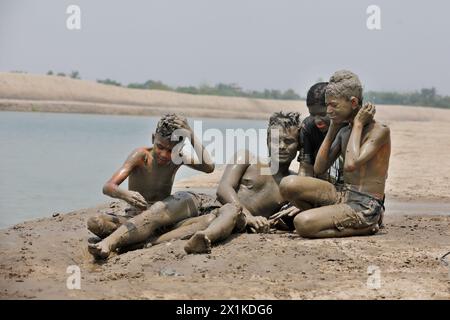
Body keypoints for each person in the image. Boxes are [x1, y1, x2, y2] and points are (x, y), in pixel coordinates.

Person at [87, 113, 218, 259]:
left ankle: (115, 242)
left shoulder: (178, 158)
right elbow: (108, 187)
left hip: (165, 215)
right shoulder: (141, 156)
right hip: (137, 216)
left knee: (168, 212)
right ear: (152, 139)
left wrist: (191, 134)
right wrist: (124, 194)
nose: (164, 154)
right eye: (160, 147)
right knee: (95, 222)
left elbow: (209, 167)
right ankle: (146, 236)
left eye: (170, 150)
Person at [279, 70, 390, 238]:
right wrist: (333, 128)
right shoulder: (344, 131)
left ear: (353, 103)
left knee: (302, 224)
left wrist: (358, 124)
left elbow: (351, 164)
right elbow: (319, 167)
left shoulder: (379, 131)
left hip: (365, 203)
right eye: (327, 105)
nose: (329, 110)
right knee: (288, 184)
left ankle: (366, 226)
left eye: (334, 105)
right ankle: (325, 217)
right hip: (342, 194)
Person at [183, 111, 301, 254]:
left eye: (289, 141)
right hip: (213, 207)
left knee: (228, 215)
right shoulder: (247, 159)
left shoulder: (294, 184)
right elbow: (223, 189)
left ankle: (204, 238)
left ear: (299, 146)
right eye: (276, 141)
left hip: (233, 222)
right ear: (267, 142)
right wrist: (248, 216)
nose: (282, 146)